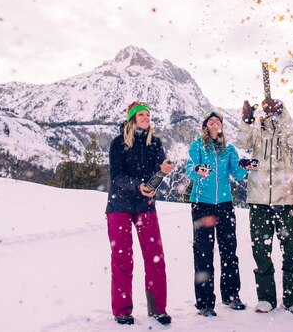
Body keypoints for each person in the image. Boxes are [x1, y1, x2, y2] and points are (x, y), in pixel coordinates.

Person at [236, 97, 293, 316]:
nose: (269, 115)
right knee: (261, 252)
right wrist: (247, 121)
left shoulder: (285, 137)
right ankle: (266, 297)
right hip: (258, 201)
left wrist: (282, 111)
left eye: (273, 111)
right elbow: (242, 142)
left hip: (285, 200)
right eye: (266, 112)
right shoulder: (257, 134)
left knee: (292, 252)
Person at [106, 101, 174, 326]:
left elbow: (157, 173)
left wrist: (162, 171)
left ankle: (158, 310)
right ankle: (122, 311)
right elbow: (116, 176)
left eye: (148, 115)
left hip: (145, 204)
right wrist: (137, 185)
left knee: (155, 257)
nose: (146, 117)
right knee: (122, 258)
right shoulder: (118, 143)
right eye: (141, 114)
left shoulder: (154, 143)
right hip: (119, 205)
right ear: (132, 118)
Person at [186, 110, 253, 317]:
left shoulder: (229, 149)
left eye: (217, 121)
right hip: (202, 205)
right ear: (205, 126)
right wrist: (198, 170)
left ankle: (231, 295)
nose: (215, 123)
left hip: (224, 205)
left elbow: (238, 173)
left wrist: (245, 166)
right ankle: (205, 303)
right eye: (211, 121)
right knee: (204, 253)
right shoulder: (197, 146)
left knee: (228, 251)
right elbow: (189, 169)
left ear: (221, 126)